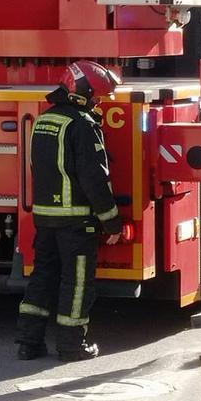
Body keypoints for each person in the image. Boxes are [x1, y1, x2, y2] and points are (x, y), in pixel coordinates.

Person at [15, 60, 124, 362]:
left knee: (43, 277)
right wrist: (112, 222)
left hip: (46, 217)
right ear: (84, 93)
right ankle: (72, 345)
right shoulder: (83, 125)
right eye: (97, 96)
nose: (98, 102)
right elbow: (94, 179)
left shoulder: (45, 120)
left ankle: (28, 342)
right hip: (76, 221)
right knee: (77, 284)